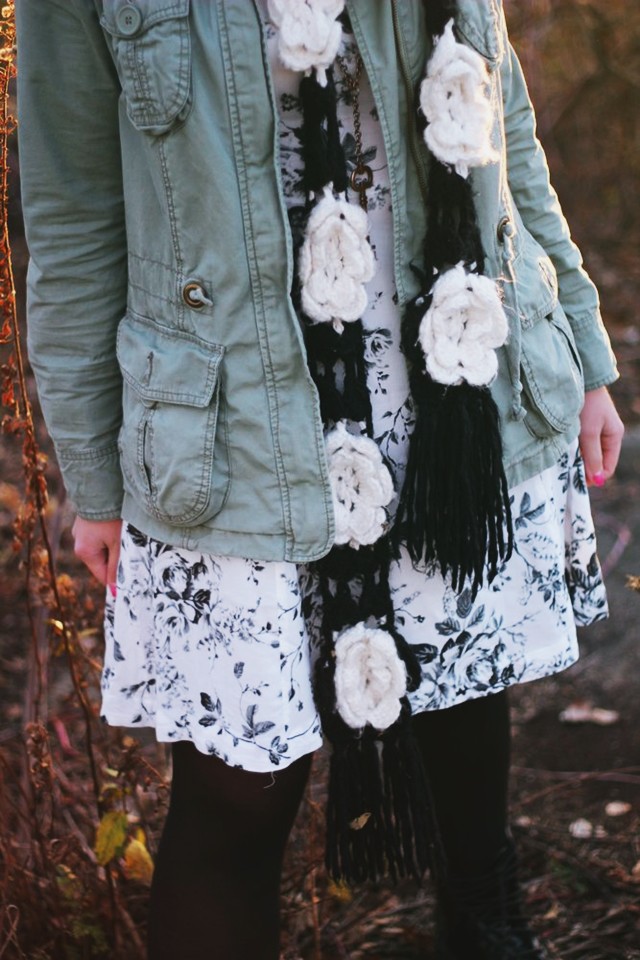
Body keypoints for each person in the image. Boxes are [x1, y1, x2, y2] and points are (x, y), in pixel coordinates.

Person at [17, 1, 623, 958]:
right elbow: (72, 211)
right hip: (233, 423)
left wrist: (583, 345)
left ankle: (486, 923)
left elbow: (501, 115)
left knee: (465, 703)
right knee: (236, 799)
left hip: (454, 379)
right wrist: (95, 480)